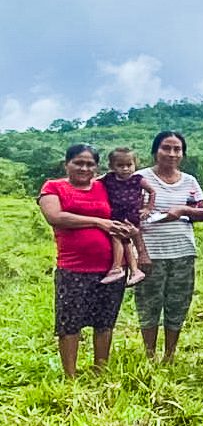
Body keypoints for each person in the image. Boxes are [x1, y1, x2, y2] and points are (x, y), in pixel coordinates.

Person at [38, 144, 133, 376]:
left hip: (111, 269)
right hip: (73, 268)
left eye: (90, 164)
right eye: (78, 162)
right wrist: (99, 222)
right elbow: (55, 217)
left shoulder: (103, 187)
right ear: (66, 164)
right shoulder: (54, 187)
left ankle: (100, 370)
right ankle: (70, 375)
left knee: (104, 321)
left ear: (97, 167)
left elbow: (126, 198)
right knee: (69, 324)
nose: (84, 167)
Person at [135, 131, 203, 362]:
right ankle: (149, 355)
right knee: (149, 304)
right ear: (155, 151)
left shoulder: (190, 181)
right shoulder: (139, 178)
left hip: (183, 253)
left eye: (177, 149)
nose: (172, 153)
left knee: (178, 304)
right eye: (166, 148)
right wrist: (140, 253)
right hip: (150, 253)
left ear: (183, 154)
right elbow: (129, 215)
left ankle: (169, 355)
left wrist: (183, 211)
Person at [98, 147, 155, 285]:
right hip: (116, 214)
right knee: (125, 241)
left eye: (129, 165)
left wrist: (147, 208)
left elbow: (152, 192)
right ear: (112, 166)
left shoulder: (138, 179)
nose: (125, 169)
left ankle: (117, 267)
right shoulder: (109, 178)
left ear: (135, 164)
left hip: (130, 215)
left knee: (117, 237)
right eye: (120, 165)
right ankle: (134, 270)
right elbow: (94, 182)